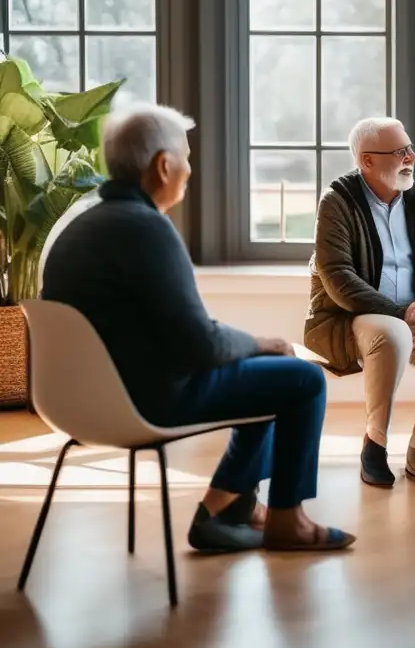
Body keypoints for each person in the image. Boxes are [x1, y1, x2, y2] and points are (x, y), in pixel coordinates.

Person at [42, 102, 354, 552]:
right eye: (185, 158)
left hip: (78, 400)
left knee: (262, 372)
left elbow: (175, 328)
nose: (190, 169)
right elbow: (200, 346)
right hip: (144, 398)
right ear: (163, 166)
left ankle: (227, 507)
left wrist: (250, 348)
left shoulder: (82, 224)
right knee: (301, 380)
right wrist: (260, 343)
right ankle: (290, 520)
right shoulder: (145, 229)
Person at [304, 117, 415, 490]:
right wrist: (399, 313)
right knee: (394, 333)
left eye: (410, 148)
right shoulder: (337, 202)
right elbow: (338, 277)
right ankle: (375, 445)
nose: (412, 156)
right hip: (353, 317)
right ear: (366, 161)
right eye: (401, 152)